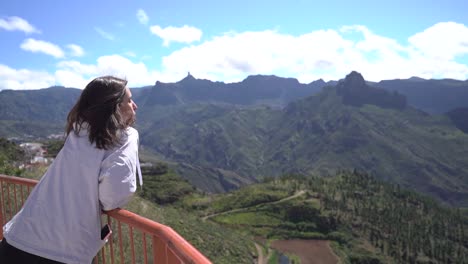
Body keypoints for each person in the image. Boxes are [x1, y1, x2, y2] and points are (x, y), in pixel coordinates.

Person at [0, 76, 142, 264]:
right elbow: (114, 195)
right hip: (63, 254)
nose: (135, 106)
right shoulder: (125, 136)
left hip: (16, 241)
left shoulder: (77, 132)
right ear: (114, 107)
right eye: (129, 101)